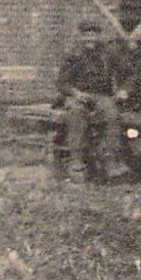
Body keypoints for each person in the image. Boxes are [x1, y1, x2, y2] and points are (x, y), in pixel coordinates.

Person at [53, 20, 129, 181]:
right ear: (81, 37)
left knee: (112, 115)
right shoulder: (72, 55)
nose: (90, 39)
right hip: (77, 96)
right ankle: (77, 163)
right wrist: (75, 93)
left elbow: (128, 74)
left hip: (102, 96)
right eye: (87, 35)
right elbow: (61, 83)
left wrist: (124, 90)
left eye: (93, 35)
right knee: (76, 114)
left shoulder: (109, 53)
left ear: (99, 36)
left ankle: (110, 162)